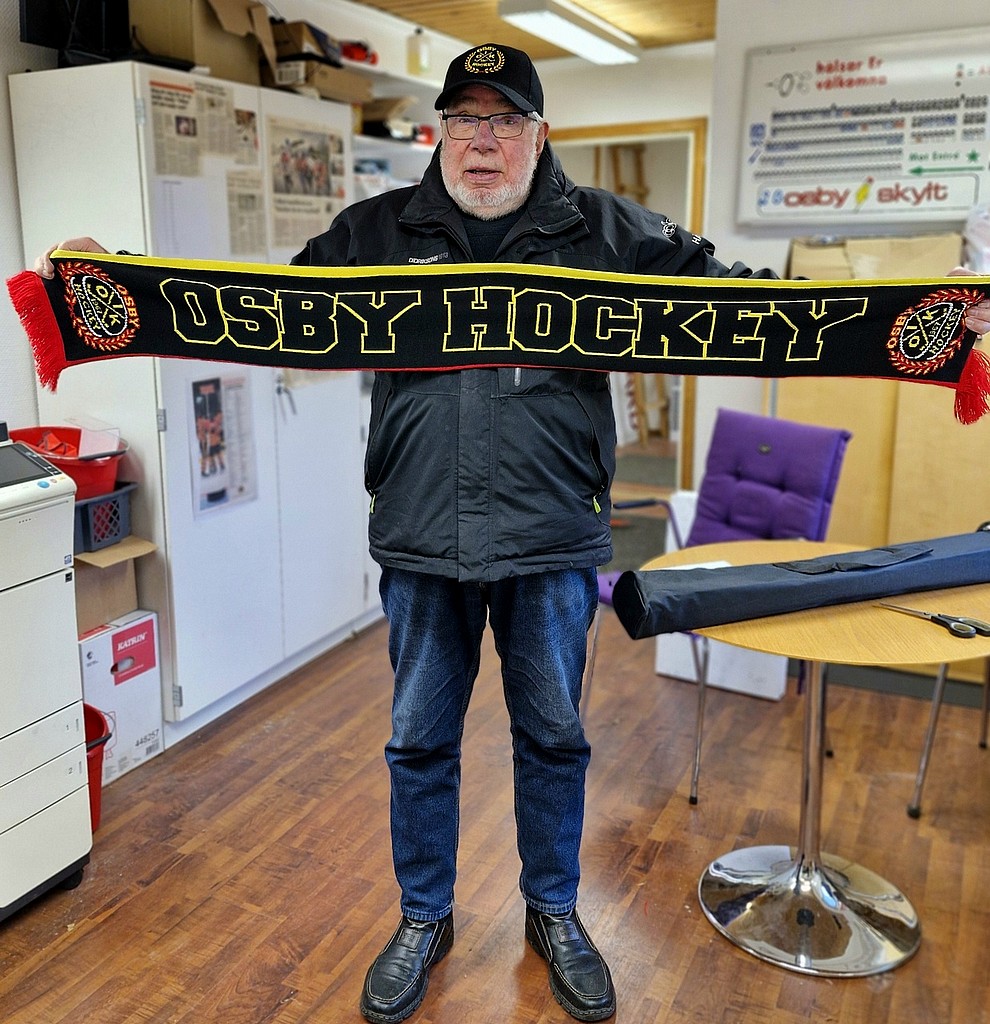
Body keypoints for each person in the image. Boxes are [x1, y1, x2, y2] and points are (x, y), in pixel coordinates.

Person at [35, 42, 990, 1024]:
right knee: (418, 743)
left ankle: (555, 911)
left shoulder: (608, 231)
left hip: (552, 540)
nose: (480, 140)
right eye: (463, 118)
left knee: (553, 738)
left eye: (503, 120)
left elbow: (738, 300)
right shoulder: (377, 232)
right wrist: (122, 285)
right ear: (439, 131)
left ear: (540, 135)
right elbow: (260, 309)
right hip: (420, 539)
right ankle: (422, 918)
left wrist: (912, 314)